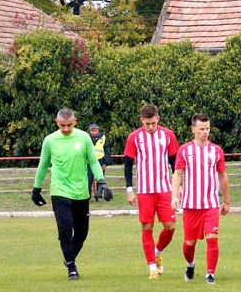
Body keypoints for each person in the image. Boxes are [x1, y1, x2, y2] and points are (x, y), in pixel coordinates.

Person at [31, 108, 112, 280]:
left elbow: (93, 161)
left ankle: (69, 256)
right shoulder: (50, 140)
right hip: (59, 191)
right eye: (62, 125)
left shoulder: (83, 138)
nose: (66, 129)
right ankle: (71, 267)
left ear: (74, 122)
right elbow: (43, 165)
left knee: (82, 232)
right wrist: (36, 189)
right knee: (65, 229)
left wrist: (102, 182)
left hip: (81, 192)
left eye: (69, 125)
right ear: (57, 123)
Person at [171, 113, 230, 284]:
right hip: (190, 204)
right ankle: (190, 265)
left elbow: (223, 177)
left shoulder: (216, 151)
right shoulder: (185, 150)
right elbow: (177, 174)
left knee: (212, 237)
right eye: (202, 129)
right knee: (189, 243)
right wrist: (174, 196)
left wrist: (226, 201)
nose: (205, 132)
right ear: (193, 130)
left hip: (210, 203)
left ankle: (210, 274)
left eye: (208, 128)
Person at [124, 105, 179, 279]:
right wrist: (129, 190)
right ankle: (152, 268)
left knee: (170, 227)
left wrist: (179, 186)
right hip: (145, 191)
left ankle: (156, 252)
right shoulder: (134, 137)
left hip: (165, 190)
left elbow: (174, 162)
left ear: (158, 119)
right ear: (142, 121)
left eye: (153, 123)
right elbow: (127, 165)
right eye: (147, 123)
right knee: (147, 227)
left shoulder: (168, 135)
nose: (150, 126)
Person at [87, 123, 112, 197]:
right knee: (88, 179)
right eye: (92, 130)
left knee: (100, 179)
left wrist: (105, 163)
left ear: (98, 130)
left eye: (95, 130)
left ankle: (99, 196)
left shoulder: (103, 138)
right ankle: (87, 196)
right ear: (90, 131)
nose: (94, 132)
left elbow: (107, 151)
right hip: (89, 162)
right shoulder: (86, 138)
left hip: (100, 161)